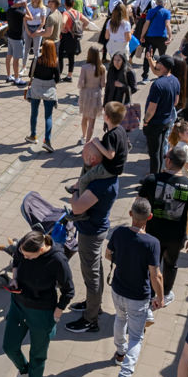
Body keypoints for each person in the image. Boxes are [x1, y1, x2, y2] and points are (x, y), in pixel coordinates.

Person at [64, 111, 126, 334]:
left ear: (92, 160)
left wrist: (75, 191)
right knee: (95, 270)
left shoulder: (100, 185)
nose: (82, 158)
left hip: (91, 232)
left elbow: (77, 207)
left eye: (84, 156)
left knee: (91, 276)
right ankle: (94, 305)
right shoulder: (106, 177)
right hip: (95, 229)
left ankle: (91, 319)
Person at [2, 231, 74, 377]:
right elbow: (17, 260)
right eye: (23, 252)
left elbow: (69, 291)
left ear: (41, 249)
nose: (24, 256)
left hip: (42, 311)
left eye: (29, 256)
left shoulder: (57, 260)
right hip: (18, 305)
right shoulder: (24, 247)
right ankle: (24, 371)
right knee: (9, 346)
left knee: (38, 354)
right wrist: (15, 278)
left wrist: (56, 315)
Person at [107, 198, 163, 377]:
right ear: (149, 217)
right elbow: (155, 275)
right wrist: (160, 297)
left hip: (118, 290)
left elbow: (108, 254)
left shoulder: (119, 232)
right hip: (138, 297)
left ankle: (120, 352)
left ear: (130, 214)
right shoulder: (152, 243)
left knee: (120, 319)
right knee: (137, 337)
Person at [139, 144, 188, 304]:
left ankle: (149, 292)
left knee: (151, 264)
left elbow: (140, 206)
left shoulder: (151, 180)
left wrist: (138, 228)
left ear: (168, 161)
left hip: (152, 233)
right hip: (176, 236)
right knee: (171, 264)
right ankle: (165, 293)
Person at [142, 54, 181, 175]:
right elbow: (176, 102)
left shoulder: (158, 85)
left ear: (163, 67)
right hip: (167, 121)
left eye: (158, 63)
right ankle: (159, 173)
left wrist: (146, 121)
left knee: (154, 153)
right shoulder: (175, 80)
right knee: (160, 150)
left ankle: (153, 178)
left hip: (155, 123)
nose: (156, 64)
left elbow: (152, 109)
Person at [26, 39, 60, 153]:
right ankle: (47, 141)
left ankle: (33, 135)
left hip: (36, 87)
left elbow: (31, 73)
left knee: (34, 112)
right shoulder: (55, 61)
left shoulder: (37, 60)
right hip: (49, 88)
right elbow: (57, 79)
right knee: (48, 116)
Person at [78, 46, 108, 145]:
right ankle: (87, 142)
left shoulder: (84, 67)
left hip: (86, 94)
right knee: (92, 121)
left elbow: (81, 83)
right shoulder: (102, 68)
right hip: (96, 95)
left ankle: (83, 136)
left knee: (84, 117)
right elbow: (103, 84)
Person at [139, 0, 172, 82]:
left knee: (148, 56)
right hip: (162, 37)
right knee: (162, 57)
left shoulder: (151, 11)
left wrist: (142, 35)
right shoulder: (167, 12)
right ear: (164, 4)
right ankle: (162, 74)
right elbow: (168, 25)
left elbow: (146, 24)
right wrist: (170, 36)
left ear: (156, 3)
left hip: (150, 38)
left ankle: (145, 76)